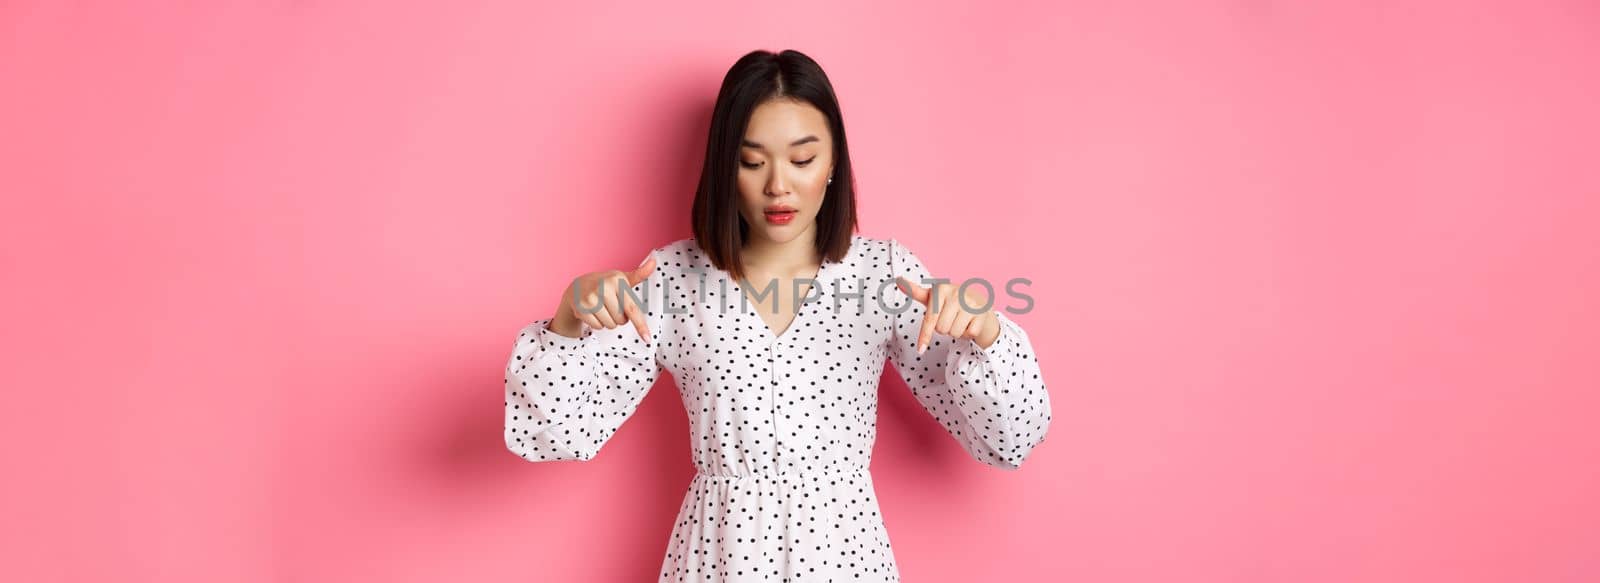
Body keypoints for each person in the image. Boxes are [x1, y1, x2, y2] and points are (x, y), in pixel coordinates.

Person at [504, 48, 1052, 582]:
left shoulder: (884, 275)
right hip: (721, 557)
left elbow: (1008, 440)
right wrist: (568, 322)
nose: (777, 185)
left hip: (844, 557)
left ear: (834, 160)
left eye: (802, 158)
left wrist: (987, 335)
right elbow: (558, 434)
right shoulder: (669, 279)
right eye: (751, 161)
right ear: (725, 167)